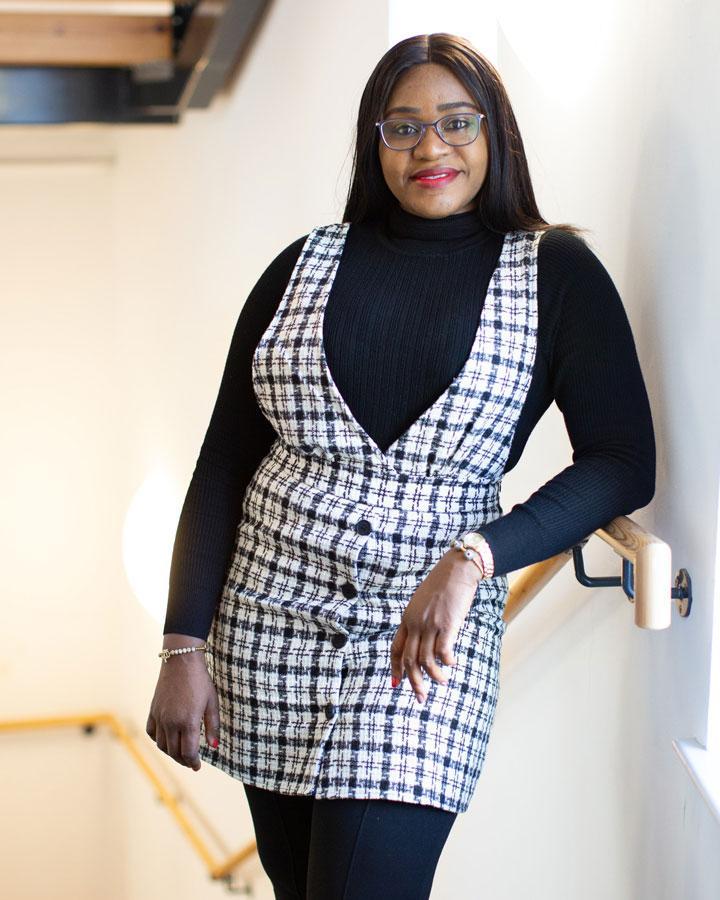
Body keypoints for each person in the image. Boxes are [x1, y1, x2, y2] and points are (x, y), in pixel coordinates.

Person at [146, 32, 655, 900]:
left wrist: (477, 556)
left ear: (496, 134)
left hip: (424, 646)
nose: (431, 148)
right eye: (403, 127)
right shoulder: (301, 266)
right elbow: (225, 463)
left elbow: (620, 462)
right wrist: (182, 645)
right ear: (373, 142)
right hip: (266, 628)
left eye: (457, 123)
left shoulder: (556, 273)